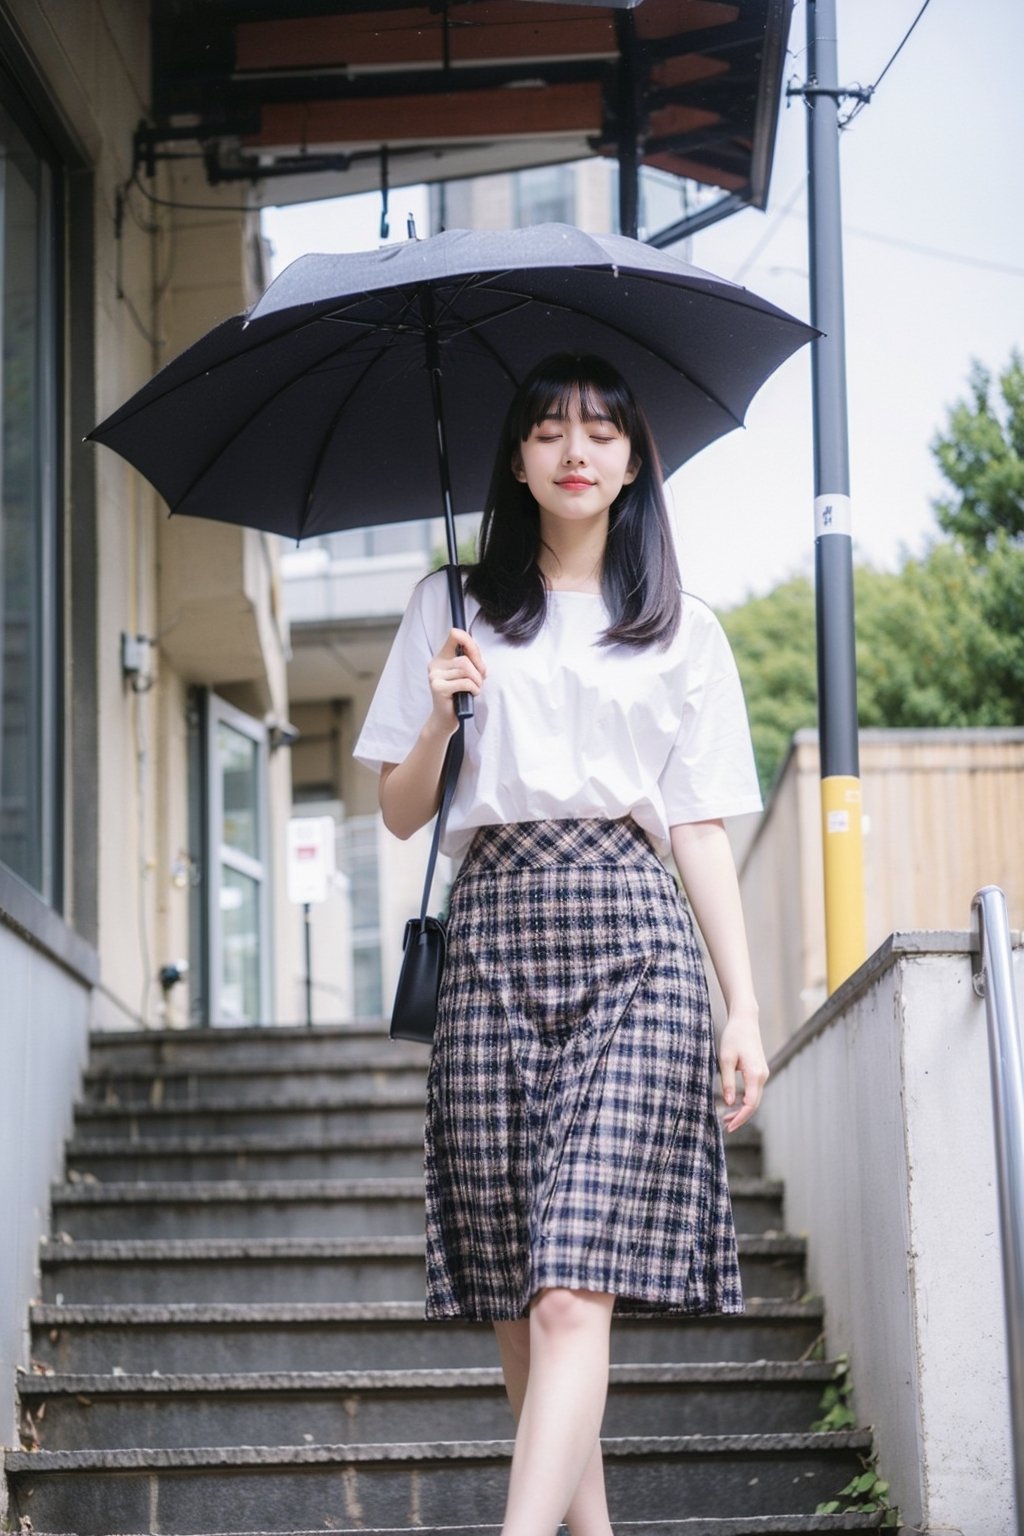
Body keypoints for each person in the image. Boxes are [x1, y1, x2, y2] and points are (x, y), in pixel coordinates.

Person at [354, 352, 769, 1536]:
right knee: (518, 1287)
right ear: (518, 461)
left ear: (635, 459)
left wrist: (741, 1007)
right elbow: (398, 809)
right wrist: (439, 711)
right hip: (490, 940)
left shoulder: (685, 630)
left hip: (637, 946)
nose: (573, 451)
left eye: (597, 432)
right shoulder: (449, 606)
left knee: (571, 1288)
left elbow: (694, 828)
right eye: (546, 431)